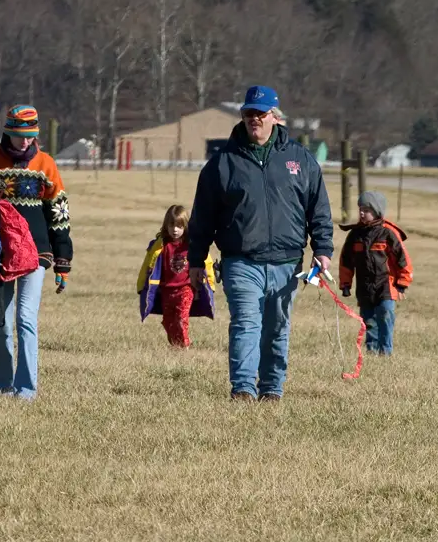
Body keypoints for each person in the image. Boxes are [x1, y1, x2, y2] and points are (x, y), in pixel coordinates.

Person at [187, 85, 334, 402]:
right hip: (241, 260)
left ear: (275, 117)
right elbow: (203, 218)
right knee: (246, 323)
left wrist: (322, 250)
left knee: (277, 329)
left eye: (261, 113)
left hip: (287, 262)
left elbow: (318, 209)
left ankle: (272, 389)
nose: (254, 119)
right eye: (249, 113)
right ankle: (242, 388)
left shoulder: (301, 160)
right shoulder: (222, 164)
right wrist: (196, 261)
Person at [0, 104, 72, 401]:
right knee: (1, 325)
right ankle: (3, 387)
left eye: (31, 135)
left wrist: (63, 261)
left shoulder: (46, 165)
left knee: (26, 320)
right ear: (8, 132)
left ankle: (25, 391)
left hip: (36, 254)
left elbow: (59, 212)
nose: (26, 141)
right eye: (21, 135)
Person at [338, 191, 412, 356]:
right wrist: (345, 284)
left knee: (385, 315)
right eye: (360, 209)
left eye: (366, 209)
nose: (362, 213)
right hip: (364, 287)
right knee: (368, 320)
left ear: (377, 211)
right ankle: (371, 351)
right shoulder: (355, 235)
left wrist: (402, 282)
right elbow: (346, 262)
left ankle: (385, 351)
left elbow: (403, 260)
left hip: (386, 286)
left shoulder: (388, 233)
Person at [136, 204, 216, 348]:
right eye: (171, 225)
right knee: (168, 321)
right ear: (166, 225)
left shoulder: (192, 246)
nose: (175, 230)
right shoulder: (160, 246)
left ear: (186, 226)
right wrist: (142, 285)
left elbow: (207, 263)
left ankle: (184, 347)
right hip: (167, 290)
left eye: (179, 226)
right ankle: (176, 347)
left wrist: (209, 282)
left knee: (181, 318)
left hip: (186, 288)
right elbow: (147, 266)